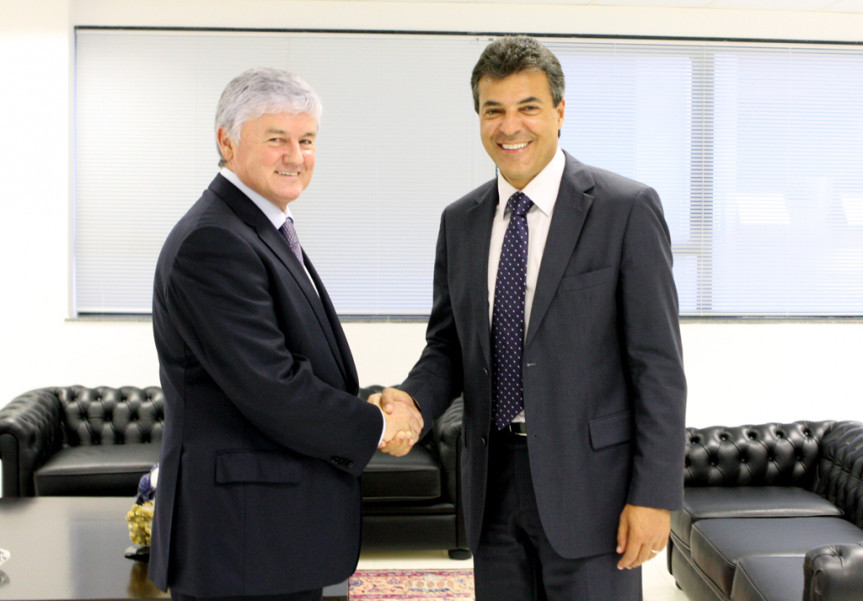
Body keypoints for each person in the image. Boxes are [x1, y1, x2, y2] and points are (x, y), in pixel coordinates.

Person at [376, 36, 686, 600]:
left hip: (594, 493)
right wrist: (413, 401)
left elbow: (658, 367)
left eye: (528, 107)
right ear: (479, 119)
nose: (509, 125)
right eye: (494, 110)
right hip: (492, 485)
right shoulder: (461, 221)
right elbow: (448, 346)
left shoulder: (625, 209)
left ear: (560, 113)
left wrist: (655, 494)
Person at [149, 67, 422, 601]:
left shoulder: (258, 228)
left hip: (266, 538)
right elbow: (273, 387)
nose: (295, 156)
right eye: (276, 139)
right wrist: (377, 423)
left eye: (307, 140)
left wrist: (367, 403)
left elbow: (295, 366)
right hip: (243, 540)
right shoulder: (214, 240)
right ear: (226, 142)